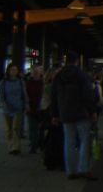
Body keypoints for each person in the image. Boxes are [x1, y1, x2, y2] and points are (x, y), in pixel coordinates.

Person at [51, 52, 98, 180]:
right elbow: (88, 95)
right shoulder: (81, 75)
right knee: (84, 140)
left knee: (69, 142)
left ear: (66, 61)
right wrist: (93, 111)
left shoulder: (59, 76)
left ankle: (70, 171)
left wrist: (54, 115)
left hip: (65, 114)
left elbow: (53, 96)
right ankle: (83, 169)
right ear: (77, 61)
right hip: (81, 113)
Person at [0, 63, 27, 155]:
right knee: (9, 129)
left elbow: (24, 94)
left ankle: (16, 147)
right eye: (12, 70)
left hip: (18, 108)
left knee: (16, 128)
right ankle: (10, 146)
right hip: (7, 108)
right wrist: (4, 105)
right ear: (8, 71)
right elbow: (1, 96)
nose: (14, 71)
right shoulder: (3, 82)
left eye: (15, 70)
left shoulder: (20, 82)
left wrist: (26, 105)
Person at [25, 65, 45, 153]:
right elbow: (25, 95)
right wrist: (27, 106)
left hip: (40, 108)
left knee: (40, 128)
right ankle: (33, 145)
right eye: (34, 72)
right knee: (32, 128)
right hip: (31, 107)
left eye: (37, 72)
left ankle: (39, 144)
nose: (36, 74)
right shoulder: (28, 82)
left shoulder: (42, 82)